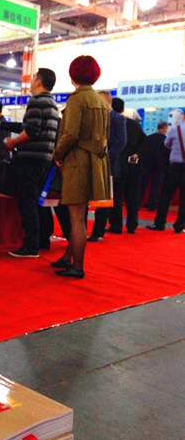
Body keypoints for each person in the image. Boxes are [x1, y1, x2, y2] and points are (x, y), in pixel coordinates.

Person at [52, 55, 111, 279]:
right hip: (96, 161)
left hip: (77, 161)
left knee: (76, 217)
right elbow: (106, 135)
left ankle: (77, 266)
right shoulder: (101, 101)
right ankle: (68, 257)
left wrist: (57, 153)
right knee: (82, 214)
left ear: (73, 75)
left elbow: (70, 134)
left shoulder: (76, 99)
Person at [0, 68, 60, 258]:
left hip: (30, 158)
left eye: (34, 78)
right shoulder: (52, 104)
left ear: (39, 82)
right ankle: (41, 240)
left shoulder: (36, 101)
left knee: (28, 202)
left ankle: (31, 245)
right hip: (44, 159)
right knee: (37, 201)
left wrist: (13, 142)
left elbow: (31, 131)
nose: (31, 81)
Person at [88, 90, 127, 241]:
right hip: (93, 162)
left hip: (108, 164)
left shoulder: (117, 119)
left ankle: (98, 232)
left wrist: (105, 156)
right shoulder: (94, 118)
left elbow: (121, 142)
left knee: (104, 199)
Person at [107, 97, 147, 234]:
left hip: (117, 164)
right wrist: (137, 153)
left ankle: (116, 225)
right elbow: (144, 142)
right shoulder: (134, 124)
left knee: (116, 197)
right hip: (133, 165)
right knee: (132, 197)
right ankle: (132, 225)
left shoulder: (111, 122)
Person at [147, 111, 185, 234]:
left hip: (175, 167)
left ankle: (159, 223)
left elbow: (166, 144)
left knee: (165, 196)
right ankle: (180, 226)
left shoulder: (175, 129)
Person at [139, 121, 170, 211]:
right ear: (164, 128)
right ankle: (152, 205)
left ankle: (137, 202)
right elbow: (167, 154)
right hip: (160, 166)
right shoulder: (166, 140)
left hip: (147, 164)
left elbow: (143, 151)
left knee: (142, 183)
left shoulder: (149, 138)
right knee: (156, 186)